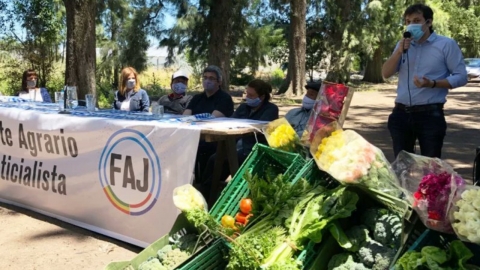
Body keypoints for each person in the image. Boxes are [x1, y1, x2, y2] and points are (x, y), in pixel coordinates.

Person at [381, 4, 468, 158]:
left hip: (430, 116)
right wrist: (399, 52)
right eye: (407, 21)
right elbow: (385, 73)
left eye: (416, 20)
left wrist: (433, 83)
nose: (411, 25)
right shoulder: (402, 45)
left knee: (431, 168)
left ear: (428, 22)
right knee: (401, 167)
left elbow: (461, 76)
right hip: (401, 114)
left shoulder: (446, 45)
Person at [197, 79, 279, 201]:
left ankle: (229, 197)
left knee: (229, 159)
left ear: (261, 97)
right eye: (247, 94)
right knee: (213, 159)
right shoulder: (243, 107)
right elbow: (231, 121)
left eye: (251, 95)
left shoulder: (271, 109)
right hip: (236, 145)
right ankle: (206, 195)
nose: (248, 97)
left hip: (255, 148)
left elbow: (259, 127)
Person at [186, 65, 235, 184]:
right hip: (193, 138)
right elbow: (185, 117)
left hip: (214, 141)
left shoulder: (224, 98)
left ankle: (203, 188)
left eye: (212, 78)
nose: (207, 81)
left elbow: (212, 119)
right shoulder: (197, 98)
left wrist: (193, 119)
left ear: (219, 82)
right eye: (205, 77)